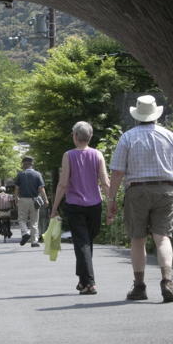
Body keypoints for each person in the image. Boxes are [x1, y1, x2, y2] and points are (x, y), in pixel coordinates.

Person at [107, 94, 173, 303]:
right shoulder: (170, 136)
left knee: (138, 238)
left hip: (137, 191)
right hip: (166, 190)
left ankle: (139, 286)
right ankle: (167, 281)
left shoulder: (127, 137)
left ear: (137, 115)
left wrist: (111, 199)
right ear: (156, 115)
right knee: (162, 237)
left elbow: (117, 172)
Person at [50, 121, 110, 295]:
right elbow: (105, 182)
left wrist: (54, 208)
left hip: (75, 205)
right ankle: (83, 281)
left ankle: (89, 283)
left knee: (82, 244)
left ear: (75, 137)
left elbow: (63, 184)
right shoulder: (98, 155)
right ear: (90, 137)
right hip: (95, 206)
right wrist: (111, 202)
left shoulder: (68, 155)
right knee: (86, 243)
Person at [14, 156, 49, 247]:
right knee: (34, 221)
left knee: (22, 219)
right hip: (35, 200)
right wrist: (45, 200)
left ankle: (25, 233)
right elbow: (41, 189)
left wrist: (16, 198)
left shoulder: (20, 174)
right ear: (32, 164)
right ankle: (34, 242)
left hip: (23, 200)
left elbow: (17, 188)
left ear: (24, 164)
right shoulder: (37, 174)